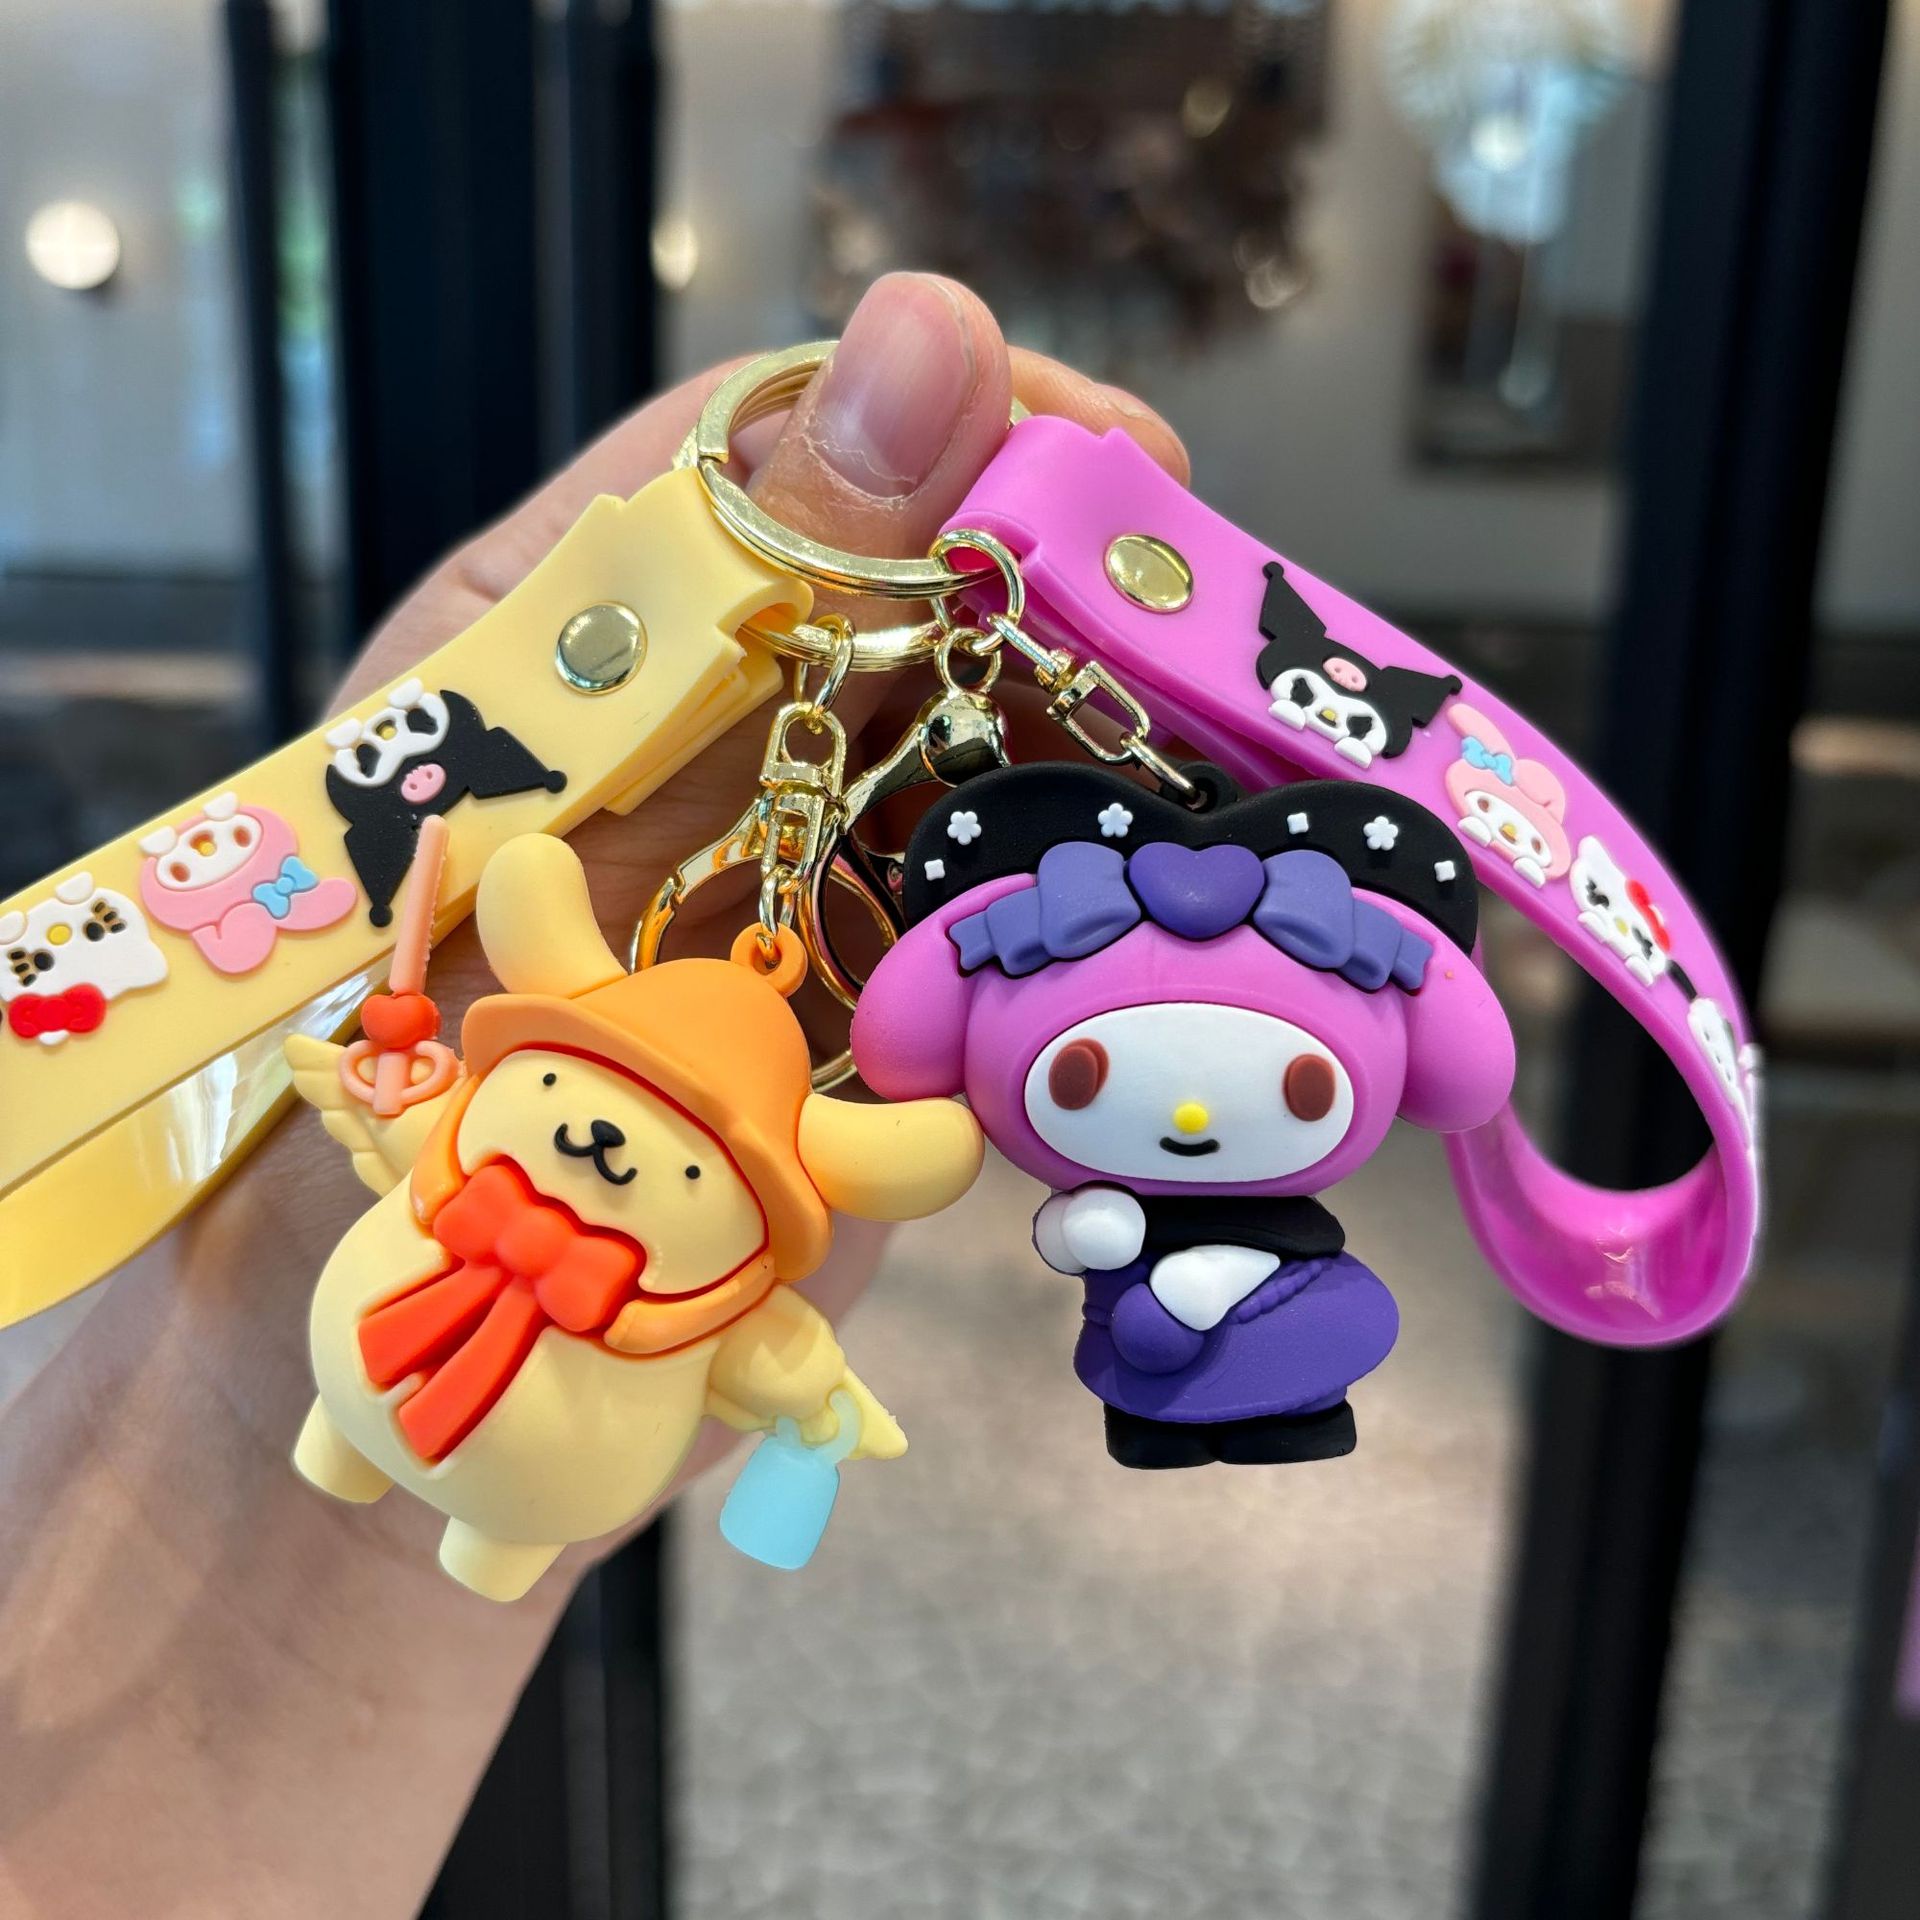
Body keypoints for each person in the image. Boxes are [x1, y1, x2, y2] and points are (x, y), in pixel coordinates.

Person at [0, 273, 1188, 1918]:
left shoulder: (637, 1256)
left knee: (437, 1498)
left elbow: (750, 1334)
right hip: (350, 1393)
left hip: (409, 1429)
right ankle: (364, 1465)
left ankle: (412, 1494)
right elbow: (412, 1124)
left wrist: (804, 1390)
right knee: (358, 1451)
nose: (598, 1151)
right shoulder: (518, 1178)